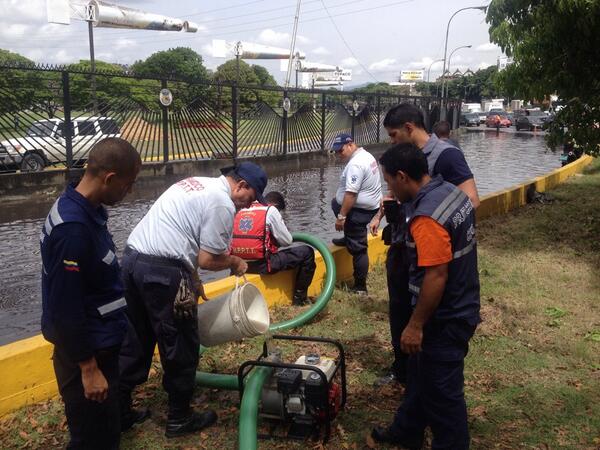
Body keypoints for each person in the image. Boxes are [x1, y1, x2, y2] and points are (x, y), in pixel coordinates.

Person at [118, 162, 267, 438]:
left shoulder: (196, 183)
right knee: (181, 341)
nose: (249, 206)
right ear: (242, 186)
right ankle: (179, 418)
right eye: (251, 198)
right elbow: (208, 258)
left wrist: (194, 279)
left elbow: (183, 235)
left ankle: (119, 412)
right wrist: (234, 261)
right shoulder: (222, 203)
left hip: (132, 263)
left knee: (134, 339)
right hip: (163, 273)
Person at [372, 143, 480, 450]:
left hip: (444, 316)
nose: (389, 188)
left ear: (403, 176)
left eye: (389, 181)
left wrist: (415, 324)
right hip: (461, 299)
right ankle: (407, 430)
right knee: (420, 376)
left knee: (444, 395)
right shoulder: (450, 192)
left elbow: (436, 275)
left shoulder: (426, 217)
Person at [40, 138, 141, 449]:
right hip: (87, 353)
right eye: (129, 184)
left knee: (106, 433)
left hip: (102, 343)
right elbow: (65, 308)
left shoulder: (85, 209)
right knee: (92, 440)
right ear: (109, 178)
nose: (130, 192)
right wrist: (88, 368)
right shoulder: (73, 229)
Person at [370, 103, 480, 387]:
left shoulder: (445, 155)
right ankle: (405, 370)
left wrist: (428, 222)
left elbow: (469, 200)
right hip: (403, 243)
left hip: (428, 246)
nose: (392, 142)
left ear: (409, 128)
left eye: (394, 136)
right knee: (401, 307)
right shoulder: (404, 161)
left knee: (425, 313)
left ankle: (418, 369)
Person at [230, 191, 316, 306]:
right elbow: (287, 241)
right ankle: (299, 299)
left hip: (238, 267)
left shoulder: (241, 209)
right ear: (276, 205)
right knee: (307, 253)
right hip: (263, 266)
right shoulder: (270, 210)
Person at [331, 133, 382, 294]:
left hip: (359, 212)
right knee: (335, 203)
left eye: (341, 150)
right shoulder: (366, 156)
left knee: (359, 249)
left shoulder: (356, 165)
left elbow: (351, 194)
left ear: (350, 144)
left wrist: (341, 217)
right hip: (370, 206)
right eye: (336, 152)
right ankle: (348, 238)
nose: (339, 154)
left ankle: (360, 287)